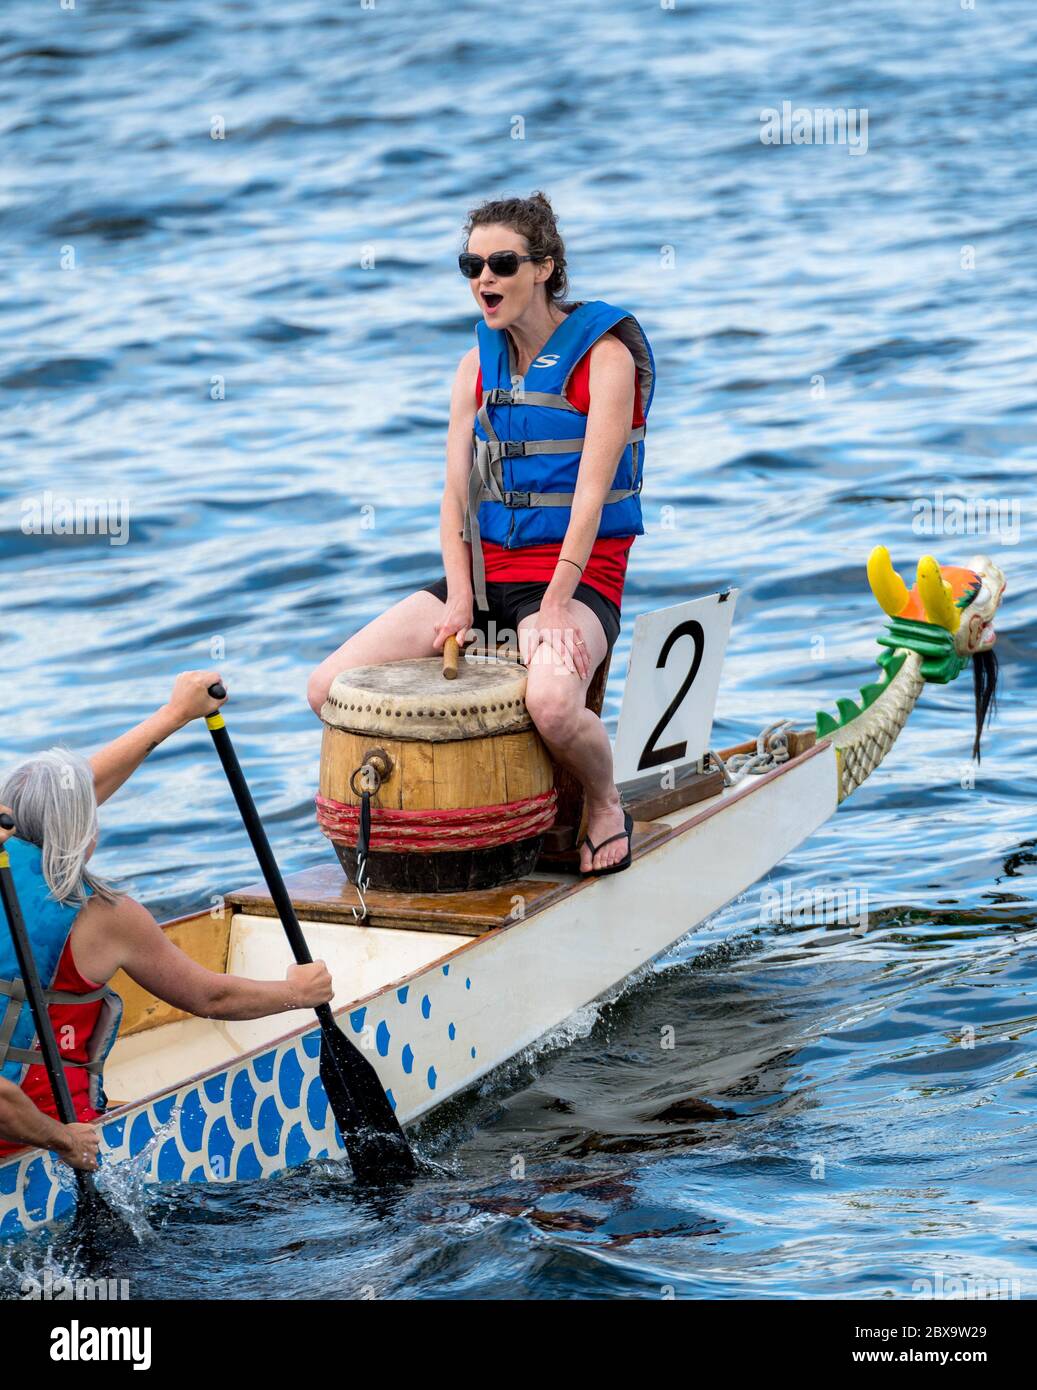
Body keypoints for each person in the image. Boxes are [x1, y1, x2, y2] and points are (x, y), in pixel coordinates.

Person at [308, 192, 654, 875]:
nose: (483, 281)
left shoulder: (605, 358)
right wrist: (461, 601)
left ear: (545, 269)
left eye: (500, 264)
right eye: (471, 265)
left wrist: (556, 603)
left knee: (553, 704)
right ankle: (433, 824)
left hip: (576, 582)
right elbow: (455, 497)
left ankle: (605, 800)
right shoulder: (474, 365)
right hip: (485, 576)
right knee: (329, 688)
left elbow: (588, 497)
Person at [0, 672, 332, 1159]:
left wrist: (175, 715)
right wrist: (296, 993)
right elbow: (210, 997)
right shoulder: (104, 915)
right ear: (81, 829)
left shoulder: (8, 855)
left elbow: (64, 802)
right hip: (50, 1137)